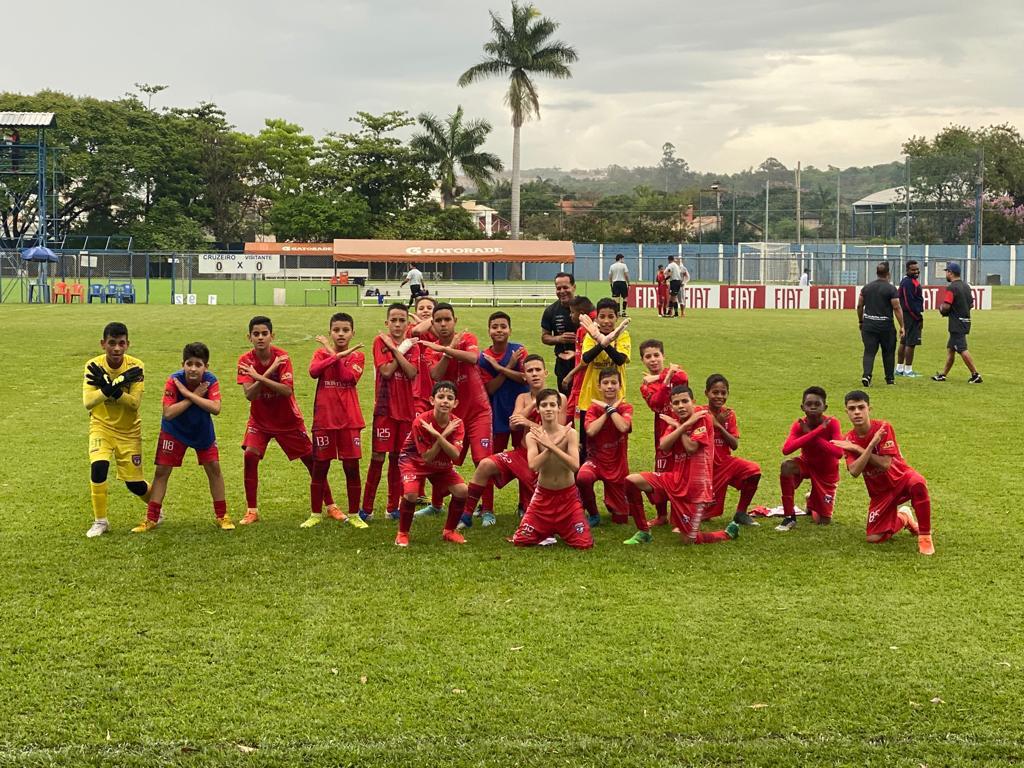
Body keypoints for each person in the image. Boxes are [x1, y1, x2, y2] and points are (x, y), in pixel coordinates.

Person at [237, 316, 341, 525]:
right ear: (249, 337)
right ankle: (252, 510)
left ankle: (331, 505)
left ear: (272, 336)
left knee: (312, 462)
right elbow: (249, 395)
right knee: (250, 456)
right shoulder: (245, 360)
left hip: (288, 421)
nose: (260, 338)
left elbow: (286, 391)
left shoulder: (282, 357)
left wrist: (259, 377)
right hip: (259, 421)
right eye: (256, 334)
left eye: (264, 334)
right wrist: (267, 373)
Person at [133, 342, 231, 532]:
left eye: (198, 364)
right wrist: (192, 395)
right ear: (183, 364)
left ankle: (222, 516)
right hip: (174, 430)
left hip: (202, 431)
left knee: (214, 469)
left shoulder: (211, 380)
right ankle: (151, 519)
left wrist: (187, 394)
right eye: (189, 363)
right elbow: (168, 413)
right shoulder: (174, 380)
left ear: (206, 367)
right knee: (162, 472)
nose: (193, 368)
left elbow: (216, 408)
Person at [625, 385, 740, 545]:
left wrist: (680, 427)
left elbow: (691, 448)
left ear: (692, 402)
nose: (680, 406)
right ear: (671, 406)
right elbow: (664, 445)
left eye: (684, 401)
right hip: (674, 480)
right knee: (631, 480)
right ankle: (644, 531)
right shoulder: (676, 423)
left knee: (688, 540)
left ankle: (725, 534)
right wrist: (682, 426)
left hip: (695, 490)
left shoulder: (703, 418)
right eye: (676, 403)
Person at [460, 354, 560, 528]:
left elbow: (558, 433)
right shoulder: (522, 398)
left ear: (546, 373)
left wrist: (528, 422)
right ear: (524, 376)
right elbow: (513, 425)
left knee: (540, 514)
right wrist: (534, 402)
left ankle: (529, 508)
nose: (534, 374)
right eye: (530, 371)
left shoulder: (559, 399)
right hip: (522, 453)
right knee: (485, 464)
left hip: (545, 459)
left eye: (538, 370)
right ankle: (466, 515)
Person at [832, 390, 934, 555]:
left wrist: (859, 449)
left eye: (861, 407)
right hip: (880, 492)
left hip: (901, 477)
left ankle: (925, 536)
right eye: (852, 408)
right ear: (847, 412)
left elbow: (885, 464)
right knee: (874, 538)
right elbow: (854, 471)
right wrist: (869, 446)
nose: (857, 412)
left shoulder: (883, 428)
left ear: (869, 409)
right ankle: (904, 517)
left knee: (918, 483)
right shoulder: (848, 440)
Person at [82, 322, 150, 537]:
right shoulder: (93, 366)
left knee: (135, 485)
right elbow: (88, 402)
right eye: (112, 343)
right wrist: (110, 388)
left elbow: (134, 403)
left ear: (128, 344)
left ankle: (156, 509)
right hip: (101, 426)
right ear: (103, 344)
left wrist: (114, 388)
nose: (117, 349)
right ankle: (100, 521)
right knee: (99, 467)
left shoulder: (136, 367)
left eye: (121, 343)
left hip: (129, 431)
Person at [305, 312, 368, 529]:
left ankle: (354, 514)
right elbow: (313, 372)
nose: (341, 334)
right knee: (320, 467)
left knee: (351, 468)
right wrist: (332, 354)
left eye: (345, 330)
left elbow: (348, 378)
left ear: (352, 333)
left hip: (349, 421)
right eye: (336, 330)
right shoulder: (319, 353)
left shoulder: (358, 356)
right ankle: (315, 513)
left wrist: (332, 353)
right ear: (330, 331)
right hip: (324, 419)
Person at [510, 389, 593, 549]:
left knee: (584, 544)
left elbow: (574, 465)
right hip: (543, 496)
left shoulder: (570, 433)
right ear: (538, 409)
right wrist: (550, 446)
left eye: (552, 405)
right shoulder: (532, 435)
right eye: (544, 405)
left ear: (559, 408)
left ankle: (557, 529)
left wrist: (550, 445)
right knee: (521, 540)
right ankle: (546, 530)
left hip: (568, 496)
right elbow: (533, 465)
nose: (548, 408)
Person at [360, 303, 419, 523]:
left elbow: (412, 372)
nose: (397, 324)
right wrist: (401, 351)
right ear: (387, 323)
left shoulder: (412, 345)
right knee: (377, 457)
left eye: (401, 320)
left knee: (397, 458)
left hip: (405, 411)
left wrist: (398, 349)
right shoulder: (379, 342)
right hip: (384, 409)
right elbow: (385, 371)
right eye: (393, 320)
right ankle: (366, 508)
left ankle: (392, 507)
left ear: (407, 323)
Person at [578, 368, 652, 543]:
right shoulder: (592, 409)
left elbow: (623, 427)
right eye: (606, 383)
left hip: (617, 465)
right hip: (595, 461)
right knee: (583, 478)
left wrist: (610, 409)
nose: (610, 386)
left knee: (621, 518)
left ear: (620, 386)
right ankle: (594, 514)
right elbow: (590, 430)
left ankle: (619, 504)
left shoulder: (626, 407)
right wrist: (606, 410)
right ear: (599, 386)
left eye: (613, 383)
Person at [395, 381, 469, 546]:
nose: (445, 401)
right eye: (440, 397)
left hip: (441, 464)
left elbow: (455, 455)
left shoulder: (457, 423)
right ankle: (402, 533)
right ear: (432, 400)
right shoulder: (420, 422)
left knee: (462, 491)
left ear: (455, 403)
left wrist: (438, 434)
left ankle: (449, 531)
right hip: (414, 461)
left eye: (450, 398)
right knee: (411, 495)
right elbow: (427, 457)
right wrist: (442, 435)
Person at [476, 311, 529, 524]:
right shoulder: (483, 357)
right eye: (495, 326)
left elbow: (525, 376)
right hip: (496, 414)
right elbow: (489, 388)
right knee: (489, 462)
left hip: (521, 413)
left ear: (510, 329)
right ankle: (487, 509)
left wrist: (499, 368)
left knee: (525, 459)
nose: (499, 330)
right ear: (489, 331)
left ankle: (524, 506)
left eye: (503, 326)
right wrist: (506, 367)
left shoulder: (519, 350)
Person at [775, 386, 844, 532]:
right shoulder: (799, 425)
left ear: (825, 407)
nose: (813, 407)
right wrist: (816, 432)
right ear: (802, 407)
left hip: (827, 472)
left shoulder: (833, 423)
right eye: (809, 404)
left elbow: (839, 452)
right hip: (806, 464)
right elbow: (786, 449)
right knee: (787, 466)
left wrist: (811, 434)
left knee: (823, 521)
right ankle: (789, 516)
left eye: (817, 404)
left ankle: (811, 501)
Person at [638, 339, 688, 526]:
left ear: (663, 356)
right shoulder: (645, 386)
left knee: (680, 473)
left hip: (683, 428)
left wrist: (659, 377)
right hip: (663, 432)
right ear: (642, 360)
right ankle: (661, 515)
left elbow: (683, 378)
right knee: (661, 472)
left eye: (656, 355)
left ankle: (678, 515)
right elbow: (657, 403)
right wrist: (664, 380)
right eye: (648, 356)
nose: (653, 360)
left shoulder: (675, 371)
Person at [701, 374, 761, 527]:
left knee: (753, 471)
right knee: (703, 515)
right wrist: (711, 424)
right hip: (705, 468)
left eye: (723, 393)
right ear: (706, 393)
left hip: (725, 462)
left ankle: (741, 512)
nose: (719, 396)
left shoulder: (729, 414)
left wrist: (719, 425)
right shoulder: (699, 412)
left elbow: (734, 444)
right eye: (715, 392)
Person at [932, 261, 982, 384]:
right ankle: (943, 375)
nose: (946, 275)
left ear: (951, 273)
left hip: (956, 323)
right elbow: (971, 304)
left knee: (962, 349)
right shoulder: (966, 286)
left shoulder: (952, 287)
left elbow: (947, 306)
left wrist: (941, 309)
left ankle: (976, 375)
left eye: (947, 272)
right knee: (951, 349)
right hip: (965, 320)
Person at [857, 261, 904, 386]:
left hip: (869, 324)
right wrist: (902, 326)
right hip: (885, 326)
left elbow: (860, 305)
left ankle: (867, 375)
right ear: (888, 274)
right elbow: (897, 307)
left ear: (877, 273)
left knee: (869, 351)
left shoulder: (866, 288)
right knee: (888, 352)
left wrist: (861, 321)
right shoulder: (891, 289)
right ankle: (890, 379)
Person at [540, 272, 579, 395]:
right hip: (563, 365)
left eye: (566, 287)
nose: (562, 291)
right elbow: (544, 337)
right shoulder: (550, 311)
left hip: (584, 363)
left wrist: (578, 345)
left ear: (574, 287)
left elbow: (597, 335)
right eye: (558, 288)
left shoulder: (585, 307)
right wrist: (559, 339)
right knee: (565, 402)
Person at [896, 261, 924, 377]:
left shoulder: (909, 281)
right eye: (913, 270)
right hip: (910, 315)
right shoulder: (908, 283)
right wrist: (917, 316)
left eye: (917, 269)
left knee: (904, 341)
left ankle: (899, 368)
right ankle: (908, 370)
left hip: (907, 315)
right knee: (910, 343)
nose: (916, 271)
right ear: (907, 270)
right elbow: (908, 302)